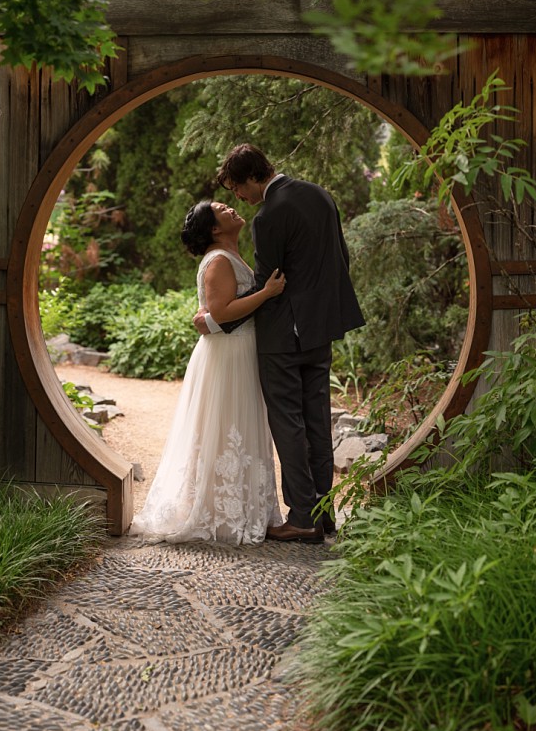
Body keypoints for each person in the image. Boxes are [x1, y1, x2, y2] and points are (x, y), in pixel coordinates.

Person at [194, 143, 365, 543]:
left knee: (288, 423)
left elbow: (265, 284)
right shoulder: (320, 195)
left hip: (282, 337)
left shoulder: (269, 216)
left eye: (238, 189)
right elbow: (340, 258)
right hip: (321, 330)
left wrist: (216, 322)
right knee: (318, 423)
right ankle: (325, 514)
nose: (240, 199)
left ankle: (303, 517)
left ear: (251, 178)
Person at [129, 200, 286, 544]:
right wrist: (267, 293)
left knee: (234, 426)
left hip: (236, 350)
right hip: (228, 356)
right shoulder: (218, 261)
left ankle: (239, 507)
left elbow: (210, 314)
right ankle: (220, 513)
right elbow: (221, 312)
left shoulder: (227, 257)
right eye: (221, 209)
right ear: (214, 229)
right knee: (226, 424)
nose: (230, 208)